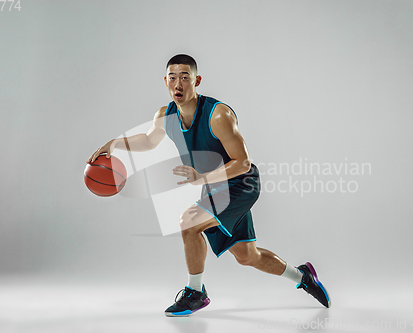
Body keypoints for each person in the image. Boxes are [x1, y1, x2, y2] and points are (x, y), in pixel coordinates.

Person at [87, 54, 331, 316]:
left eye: (184, 78)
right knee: (247, 256)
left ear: (197, 80)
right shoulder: (165, 115)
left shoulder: (218, 114)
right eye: (172, 78)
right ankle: (303, 276)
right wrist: (114, 143)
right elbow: (148, 141)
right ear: (165, 82)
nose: (178, 84)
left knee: (188, 223)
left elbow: (243, 162)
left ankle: (195, 292)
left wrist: (202, 178)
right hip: (216, 189)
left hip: (241, 183)